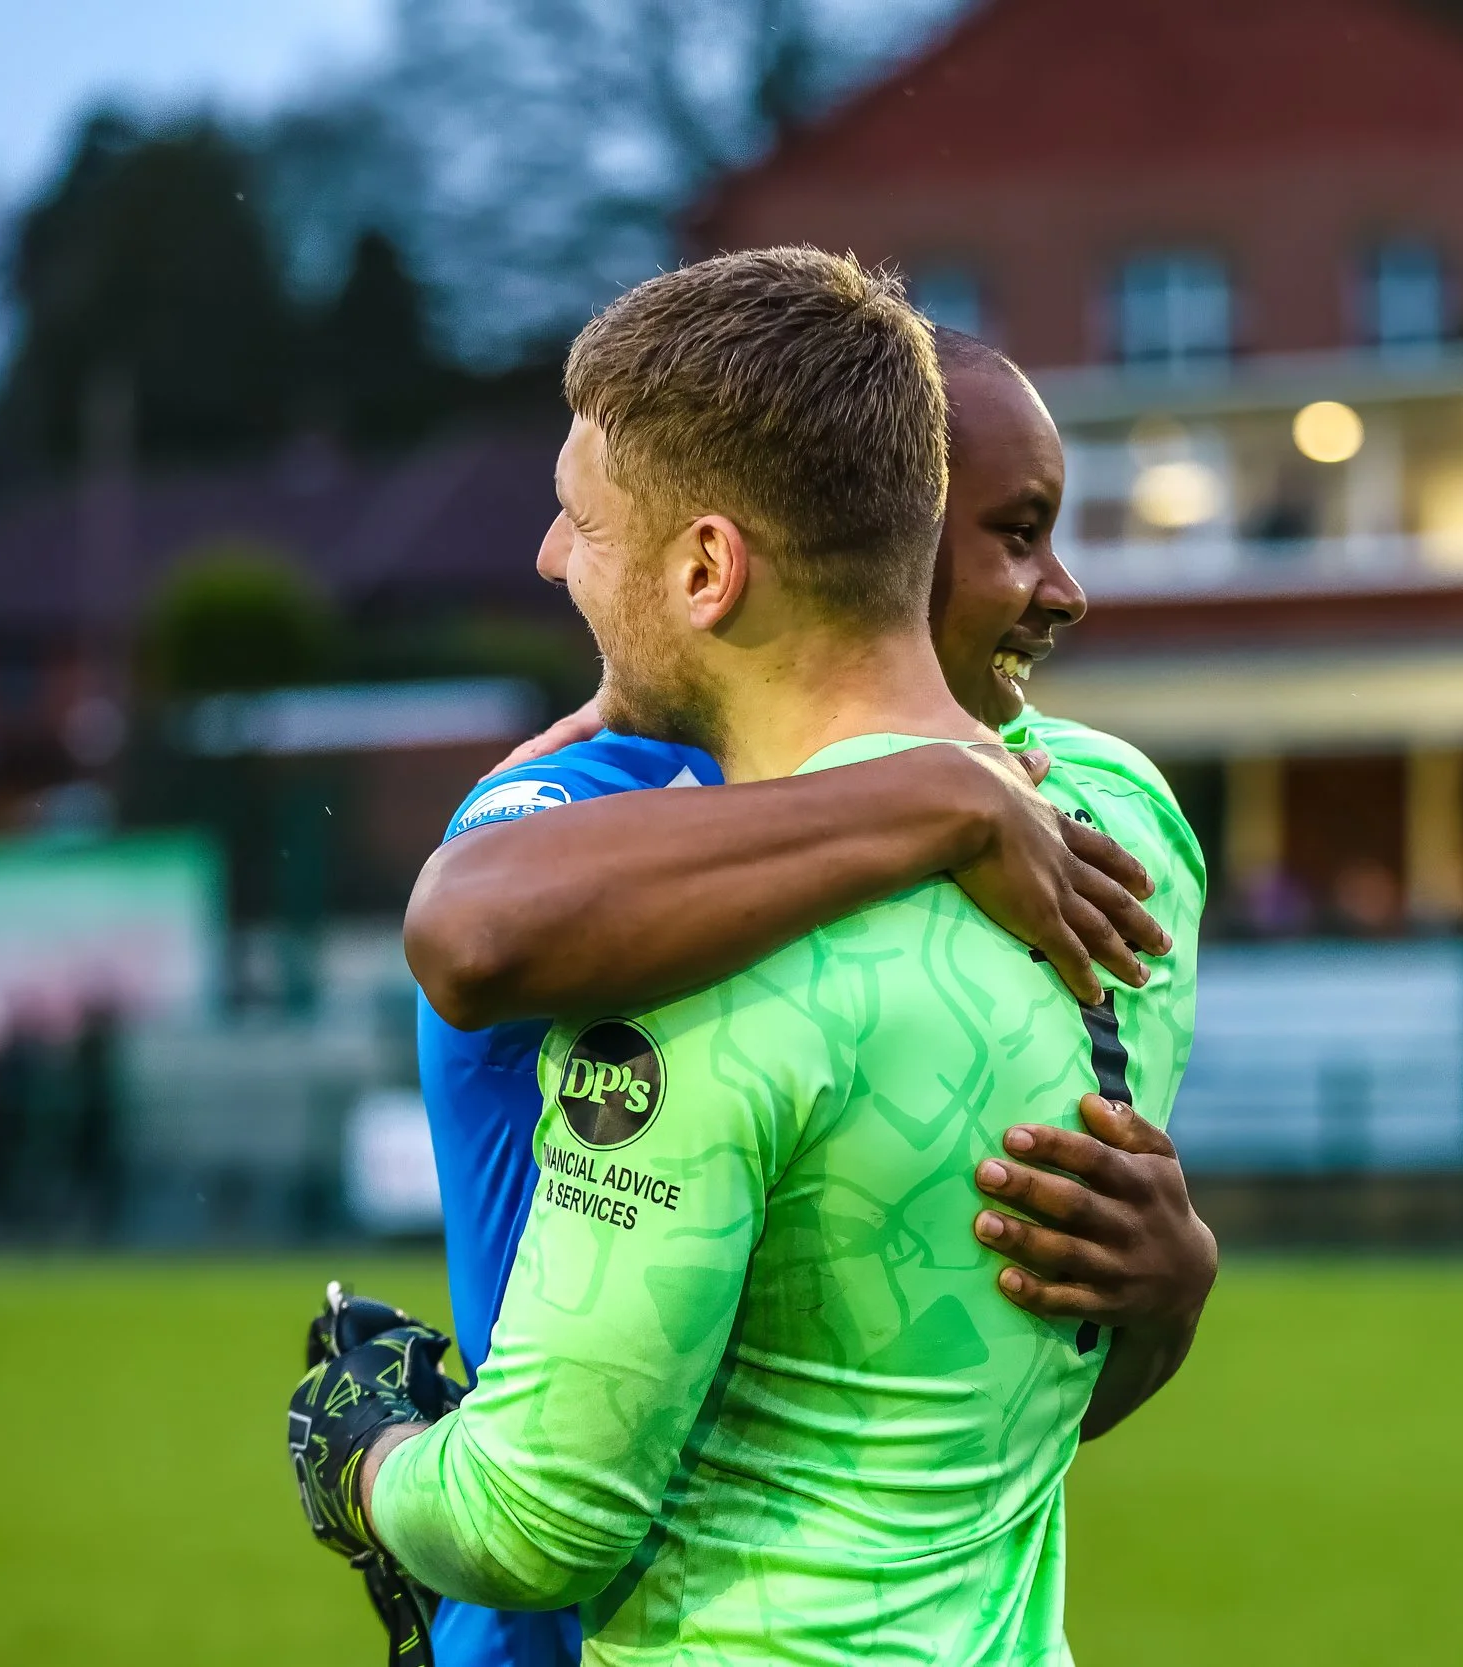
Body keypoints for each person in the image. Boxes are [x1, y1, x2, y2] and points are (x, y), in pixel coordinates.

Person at [299, 249, 1205, 1664]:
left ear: (712, 566)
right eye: (1016, 531)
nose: (549, 558)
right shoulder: (1122, 831)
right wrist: (944, 789)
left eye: (576, 522)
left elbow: (541, 1519)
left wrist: (360, 1458)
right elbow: (1010, 1381)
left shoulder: (681, 941)